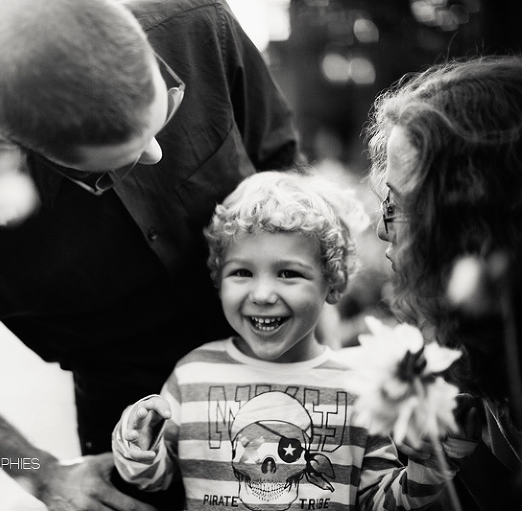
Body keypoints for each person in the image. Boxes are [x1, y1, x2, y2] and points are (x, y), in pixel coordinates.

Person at [0, 0, 300, 509]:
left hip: (285, 360)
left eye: (164, 115)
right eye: (111, 167)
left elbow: (281, 164)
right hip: (129, 428)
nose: (155, 155)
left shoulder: (195, 22)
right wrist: (43, 474)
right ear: (7, 141)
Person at [112, 170, 476, 510]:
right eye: (241, 272)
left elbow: (381, 502)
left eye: (288, 273)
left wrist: (432, 462)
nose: (263, 293)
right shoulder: (192, 375)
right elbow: (153, 479)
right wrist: (139, 443)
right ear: (218, 279)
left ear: (332, 283)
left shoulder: (360, 389)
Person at [366, 55, 522, 506]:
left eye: (398, 204)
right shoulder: (478, 349)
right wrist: (457, 454)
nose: (381, 228)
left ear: (471, 220)